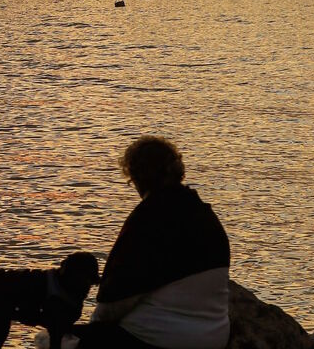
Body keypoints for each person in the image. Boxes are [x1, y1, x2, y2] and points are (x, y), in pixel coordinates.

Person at [71, 136, 230, 349]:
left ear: (136, 177)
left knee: (61, 338)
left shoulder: (148, 219)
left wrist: (93, 330)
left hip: (162, 339)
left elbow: (115, 299)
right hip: (216, 336)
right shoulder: (205, 213)